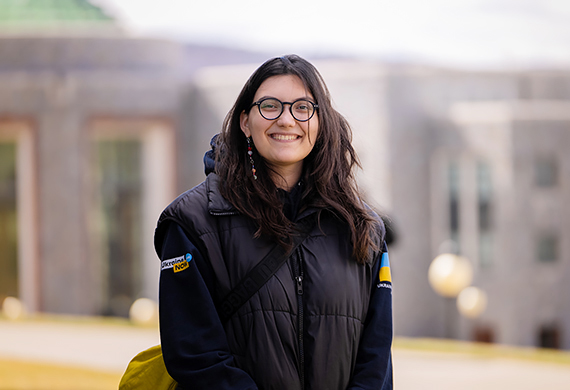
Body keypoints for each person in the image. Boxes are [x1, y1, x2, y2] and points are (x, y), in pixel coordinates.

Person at [155, 54, 393, 390]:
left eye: (302, 108)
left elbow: (377, 358)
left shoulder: (362, 225)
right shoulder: (191, 222)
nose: (286, 120)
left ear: (320, 121)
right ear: (244, 121)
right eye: (270, 106)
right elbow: (194, 355)